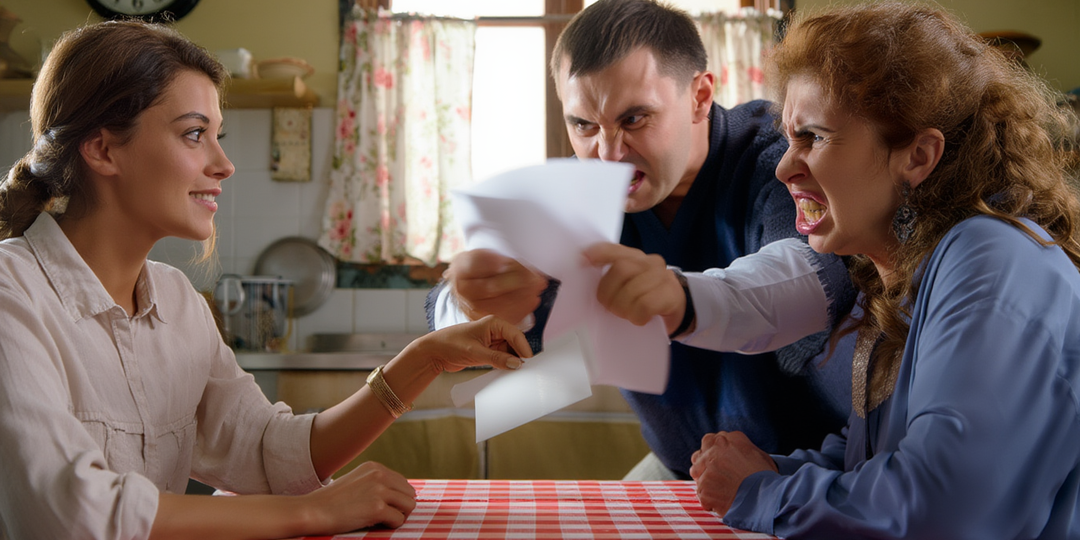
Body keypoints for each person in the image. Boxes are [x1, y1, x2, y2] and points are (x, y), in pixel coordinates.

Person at [0, 20, 532, 540]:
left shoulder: (176, 300)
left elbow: (268, 452)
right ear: (103, 149)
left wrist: (426, 358)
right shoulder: (12, 293)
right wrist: (316, 514)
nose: (225, 163)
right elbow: (76, 514)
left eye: (217, 136)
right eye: (194, 134)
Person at [689, 3, 1080, 538]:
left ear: (917, 156)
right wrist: (768, 471)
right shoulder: (917, 266)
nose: (784, 168)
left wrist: (761, 491)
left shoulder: (990, 260)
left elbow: (945, 508)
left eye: (815, 138)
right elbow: (873, 461)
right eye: (788, 139)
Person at [428, 0, 857, 480]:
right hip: (683, 471)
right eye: (584, 125)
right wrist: (472, 302)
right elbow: (445, 318)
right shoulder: (573, 194)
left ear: (699, 95)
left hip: (817, 472)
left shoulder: (777, 156)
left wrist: (681, 299)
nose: (608, 154)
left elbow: (816, 278)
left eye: (634, 120)